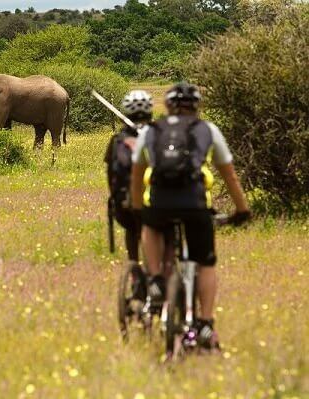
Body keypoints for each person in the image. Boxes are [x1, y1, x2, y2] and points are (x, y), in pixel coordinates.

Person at [130, 82, 250, 349]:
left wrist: (139, 209)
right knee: (205, 263)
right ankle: (205, 324)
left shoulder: (151, 130)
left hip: (159, 204)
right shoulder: (208, 130)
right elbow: (229, 174)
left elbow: (137, 176)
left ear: (168, 105)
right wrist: (242, 209)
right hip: (195, 206)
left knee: (150, 226)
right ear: (197, 107)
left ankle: (157, 280)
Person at [104, 90, 153, 264]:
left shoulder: (117, 140)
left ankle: (134, 268)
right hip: (158, 200)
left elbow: (111, 173)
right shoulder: (160, 137)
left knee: (131, 230)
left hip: (125, 202)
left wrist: (115, 197)